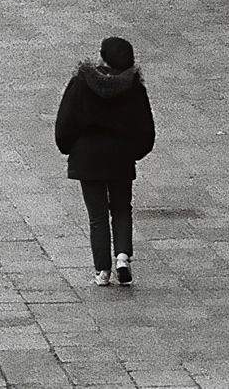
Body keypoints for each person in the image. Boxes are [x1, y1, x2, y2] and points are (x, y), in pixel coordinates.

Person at [55, 36, 156, 287]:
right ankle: (123, 256)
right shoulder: (134, 88)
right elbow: (146, 130)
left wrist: (69, 148)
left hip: (88, 158)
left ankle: (102, 271)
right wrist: (134, 153)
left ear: (103, 59)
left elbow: (66, 122)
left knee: (97, 216)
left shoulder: (81, 83)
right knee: (121, 208)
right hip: (120, 158)